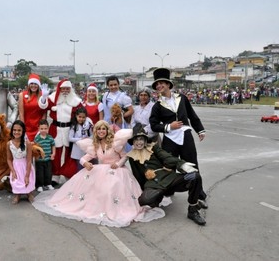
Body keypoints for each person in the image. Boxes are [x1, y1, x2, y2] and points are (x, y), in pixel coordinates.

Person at [32, 120, 165, 228]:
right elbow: (85, 158)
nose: (101, 131)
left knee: (112, 186)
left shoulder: (115, 143)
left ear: (107, 131)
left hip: (117, 170)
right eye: (98, 129)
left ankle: (115, 209)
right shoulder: (94, 145)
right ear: (96, 132)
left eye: (103, 129)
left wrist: (118, 164)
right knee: (90, 185)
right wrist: (85, 164)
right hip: (101, 170)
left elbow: (125, 156)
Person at [149, 68, 208, 208]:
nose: (159, 86)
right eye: (157, 84)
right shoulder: (157, 105)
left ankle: (198, 195)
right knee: (169, 166)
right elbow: (153, 125)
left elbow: (192, 115)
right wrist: (169, 126)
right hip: (170, 138)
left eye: (162, 83)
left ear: (168, 84)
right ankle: (168, 191)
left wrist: (200, 129)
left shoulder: (182, 98)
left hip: (185, 135)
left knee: (192, 164)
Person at [127, 123, 207, 225]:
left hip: (169, 179)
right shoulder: (132, 157)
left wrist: (181, 164)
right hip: (153, 185)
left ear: (145, 140)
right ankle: (157, 198)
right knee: (145, 200)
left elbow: (166, 157)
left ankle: (193, 210)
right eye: (136, 139)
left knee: (194, 177)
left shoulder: (153, 148)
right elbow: (138, 176)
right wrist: (143, 191)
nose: (139, 142)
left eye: (141, 139)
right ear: (133, 141)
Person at [38, 79, 83, 185]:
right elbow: (43, 106)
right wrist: (44, 97)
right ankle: (55, 175)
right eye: (63, 89)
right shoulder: (53, 98)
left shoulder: (76, 100)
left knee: (70, 153)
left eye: (68, 88)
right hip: (56, 128)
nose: (65, 91)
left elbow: (82, 113)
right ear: (59, 88)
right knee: (55, 153)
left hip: (70, 129)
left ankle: (68, 173)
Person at [7, 120, 36, 204]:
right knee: (16, 180)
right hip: (16, 166)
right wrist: (12, 170)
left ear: (23, 131)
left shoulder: (28, 144)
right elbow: (9, 159)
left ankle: (29, 193)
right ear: (12, 131)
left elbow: (29, 160)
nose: (16, 132)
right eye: (14, 130)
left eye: (19, 130)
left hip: (26, 166)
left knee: (26, 181)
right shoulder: (9, 144)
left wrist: (27, 175)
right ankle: (17, 195)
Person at [18, 73, 46, 141]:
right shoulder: (22, 95)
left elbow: (44, 113)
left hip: (38, 127)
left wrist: (42, 128)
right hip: (27, 127)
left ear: (38, 85)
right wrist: (23, 128)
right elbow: (21, 113)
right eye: (32, 83)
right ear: (29, 84)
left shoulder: (43, 95)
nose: (33, 86)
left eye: (35, 84)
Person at [68, 107, 93, 173]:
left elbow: (92, 135)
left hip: (87, 150)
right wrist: (80, 139)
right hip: (78, 150)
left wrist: (88, 139)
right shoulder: (74, 126)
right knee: (80, 169)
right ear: (76, 116)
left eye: (83, 117)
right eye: (79, 117)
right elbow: (70, 138)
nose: (81, 119)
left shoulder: (88, 125)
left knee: (88, 167)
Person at [34, 119, 56, 192]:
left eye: (45, 128)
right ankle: (40, 185)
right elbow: (35, 148)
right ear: (39, 129)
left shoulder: (50, 138)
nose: (43, 130)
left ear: (48, 129)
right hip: (39, 160)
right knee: (40, 174)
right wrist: (36, 156)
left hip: (48, 159)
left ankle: (48, 184)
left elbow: (53, 145)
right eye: (41, 128)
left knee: (48, 172)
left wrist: (53, 154)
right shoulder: (37, 139)